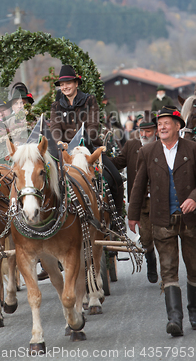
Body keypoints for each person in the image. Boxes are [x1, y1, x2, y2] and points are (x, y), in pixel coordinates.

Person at [128, 106, 196, 337]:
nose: (162, 127)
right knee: (168, 270)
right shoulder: (148, 152)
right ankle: (174, 319)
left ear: (178, 126)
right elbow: (138, 185)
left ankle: (194, 313)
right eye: (159, 124)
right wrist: (133, 214)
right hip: (162, 219)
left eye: (167, 123)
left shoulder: (193, 149)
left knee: (194, 267)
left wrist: (194, 198)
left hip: (190, 220)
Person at [50, 65, 124, 215]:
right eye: (62, 84)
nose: (65, 87)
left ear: (76, 83)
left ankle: (117, 219)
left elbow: (92, 124)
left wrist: (82, 141)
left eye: (68, 83)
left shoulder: (89, 100)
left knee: (116, 179)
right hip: (65, 152)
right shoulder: (56, 106)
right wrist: (59, 142)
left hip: (89, 148)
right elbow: (55, 128)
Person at [110, 111, 158, 283]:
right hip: (142, 201)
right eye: (142, 131)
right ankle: (151, 259)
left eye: (149, 131)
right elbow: (118, 162)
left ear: (157, 131)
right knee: (146, 238)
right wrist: (100, 158)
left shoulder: (163, 145)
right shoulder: (131, 145)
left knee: (164, 236)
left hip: (161, 200)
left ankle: (169, 273)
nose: (144, 134)